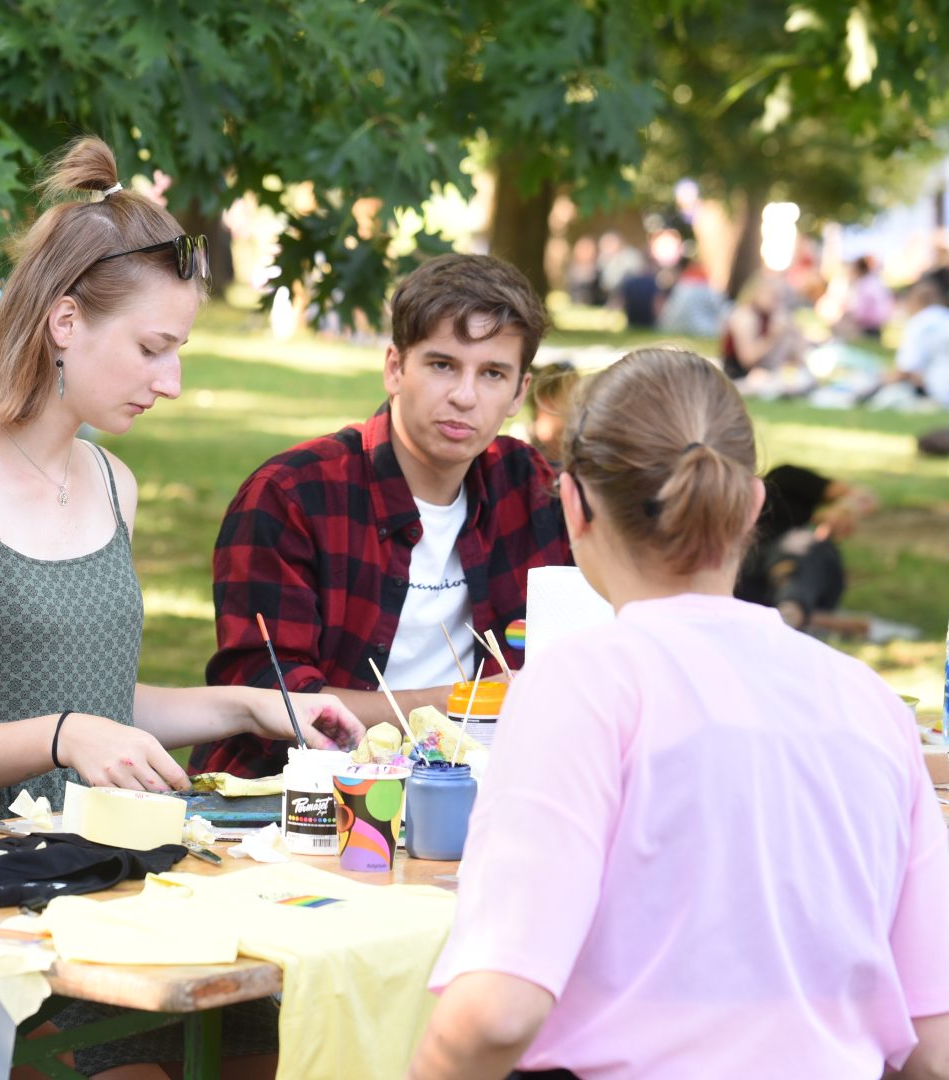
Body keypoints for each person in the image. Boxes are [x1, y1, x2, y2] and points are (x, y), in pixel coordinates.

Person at [0, 135, 363, 1079]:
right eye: (152, 349)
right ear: (62, 323)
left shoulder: (111, 482)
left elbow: (97, 701)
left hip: (108, 875)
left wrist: (253, 708)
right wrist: (62, 735)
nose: (169, 382)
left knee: (285, 1032)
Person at [410, 347, 949, 1080]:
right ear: (753, 504)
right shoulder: (869, 702)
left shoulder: (585, 685)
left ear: (574, 503)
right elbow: (933, 1041)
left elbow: (495, 1013)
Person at [193, 253, 571, 780]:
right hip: (296, 804)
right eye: (442, 365)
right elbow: (270, 700)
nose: (464, 396)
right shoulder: (293, 497)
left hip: (477, 795)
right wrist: (465, 702)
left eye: (492, 373)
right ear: (395, 368)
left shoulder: (530, 489)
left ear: (519, 393)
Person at [735, 463, 881, 636]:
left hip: (799, 573)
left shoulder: (784, 478)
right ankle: (799, 616)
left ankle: (793, 613)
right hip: (754, 576)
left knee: (804, 548)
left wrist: (845, 509)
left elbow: (866, 499)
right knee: (798, 547)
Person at [868, 268, 949, 409]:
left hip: (938, 393)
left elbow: (906, 369)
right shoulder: (944, 317)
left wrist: (877, 381)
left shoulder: (920, 323)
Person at [720, 272, 810, 393]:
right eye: (773, 295)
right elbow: (747, 360)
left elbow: (798, 361)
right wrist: (772, 337)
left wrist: (795, 334)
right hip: (741, 375)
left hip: (768, 373)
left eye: (780, 297)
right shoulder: (745, 316)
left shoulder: (775, 317)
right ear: (757, 292)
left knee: (803, 379)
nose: (776, 301)